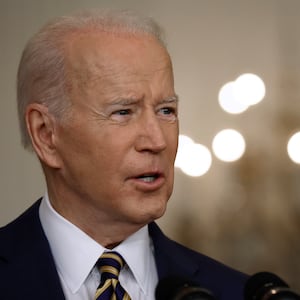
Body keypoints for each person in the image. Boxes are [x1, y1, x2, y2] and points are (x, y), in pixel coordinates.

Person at [0, 9, 248, 300]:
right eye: (123, 112)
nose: (157, 141)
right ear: (46, 134)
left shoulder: (232, 291)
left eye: (166, 110)